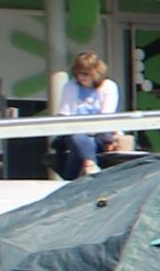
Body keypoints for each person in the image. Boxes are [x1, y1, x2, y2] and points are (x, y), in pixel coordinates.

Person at [50, 48, 127, 178]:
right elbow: (65, 115)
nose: (80, 77)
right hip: (75, 133)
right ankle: (90, 164)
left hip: (102, 133)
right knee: (78, 137)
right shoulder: (70, 86)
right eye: (78, 73)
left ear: (95, 73)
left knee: (81, 146)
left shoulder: (109, 86)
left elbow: (106, 117)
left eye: (85, 74)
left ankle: (72, 178)